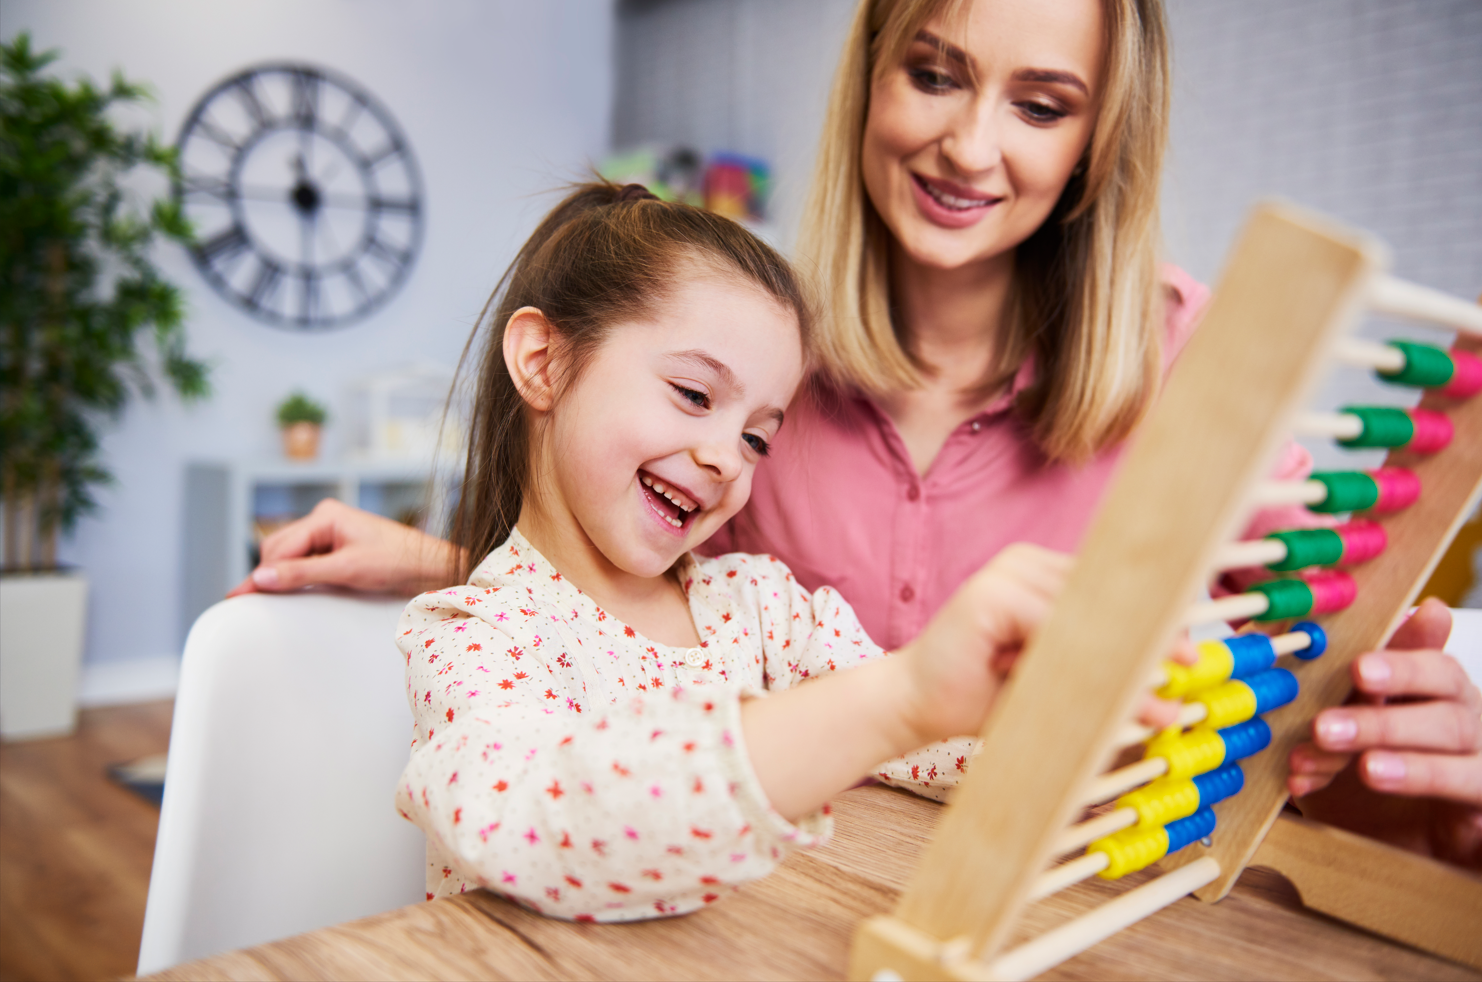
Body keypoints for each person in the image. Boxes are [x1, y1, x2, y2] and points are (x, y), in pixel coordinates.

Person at [232, 0, 1480, 862]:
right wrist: (461, 567)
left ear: (1100, 145)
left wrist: (1375, 714)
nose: (969, 144)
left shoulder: (1206, 369)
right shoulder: (765, 361)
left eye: (1042, 104)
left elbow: (1272, 701)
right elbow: (647, 643)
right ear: (870, 78)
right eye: (934, 72)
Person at [395, 180, 1185, 917]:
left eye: (757, 437)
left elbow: (932, 742)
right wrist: (901, 697)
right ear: (543, 362)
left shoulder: (761, 610)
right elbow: (537, 823)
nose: (725, 458)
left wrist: (1079, 731)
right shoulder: (477, 635)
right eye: (694, 395)